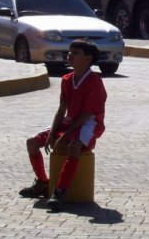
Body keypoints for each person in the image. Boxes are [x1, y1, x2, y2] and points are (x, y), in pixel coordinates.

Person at [19, 39, 107, 212]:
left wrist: (64, 137)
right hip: (70, 122)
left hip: (89, 123)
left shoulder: (94, 82)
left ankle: (60, 191)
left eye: (75, 53)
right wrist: (52, 134)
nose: (70, 55)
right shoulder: (67, 79)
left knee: (73, 146)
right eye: (70, 52)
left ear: (88, 59)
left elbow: (86, 115)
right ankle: (43, 183)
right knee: (32, 142)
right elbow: (62, 109)